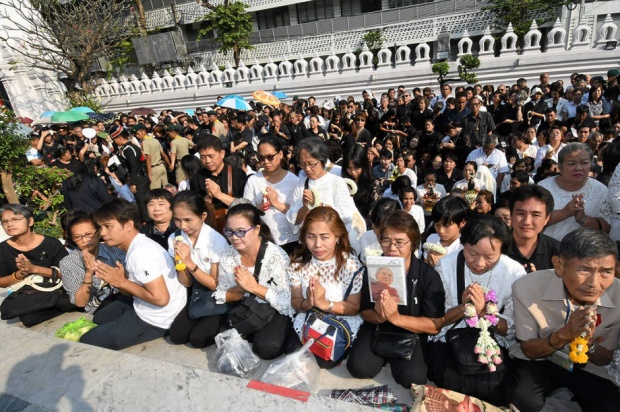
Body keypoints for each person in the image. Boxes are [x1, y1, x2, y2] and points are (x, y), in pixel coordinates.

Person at [507, 228, 620, 412]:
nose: (594, 283)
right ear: (559, 265)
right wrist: (564, 335)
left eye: (606, 272)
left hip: (587, 367)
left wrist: (590, 343)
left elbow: (604, 358)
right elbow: (529, 350)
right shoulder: (527, 288)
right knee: (522, 400)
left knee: (612, 405)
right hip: (541, 361)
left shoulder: (618, 295)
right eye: (584, 269)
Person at [428, 215, 526, 405]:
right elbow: (438, 321)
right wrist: (464, 307)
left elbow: (512, 330)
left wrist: (485, 313)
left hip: (495, 340)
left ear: (502, 251)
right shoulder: (446, 265)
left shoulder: (515, 273)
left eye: (490, 257)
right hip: (451, 336)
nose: (479, 263)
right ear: (463, 243)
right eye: (472, 254)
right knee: (446, 379)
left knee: (497, 388)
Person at [347, 211, 445, 387]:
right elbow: (364, 311)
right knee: (358, 368)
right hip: (378, 327)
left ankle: (394, 360)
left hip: (411, 331)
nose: (392, 248)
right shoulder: (375, 268)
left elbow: (434, 325)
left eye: (400, 242)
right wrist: (379, 316)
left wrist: (396, 318)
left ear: (413, 242)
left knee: (412, 380)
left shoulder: (428, 276)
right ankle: (382, 356)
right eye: (386, 240)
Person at [80, 199, 187, 350]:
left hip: (158, 319)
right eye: (100, 227)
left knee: (87, 340)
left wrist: (121, 282)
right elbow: (133, 289)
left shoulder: (141, 253)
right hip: (146, 304)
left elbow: (161, 299)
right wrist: (121, 280)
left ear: (129, 225)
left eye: (108, 226)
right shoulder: (138, 244)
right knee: (100, 318)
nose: (102, 233)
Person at [214, 203, 292, 359]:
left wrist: (254, 287)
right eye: (229, 231)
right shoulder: (227, 255)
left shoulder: (276, 256)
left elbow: (286, 302)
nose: (234, 237)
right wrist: (241, 289)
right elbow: (223, 293)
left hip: (274, 308)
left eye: (241, 232)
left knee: (265, 348)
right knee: (221, 338)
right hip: (248, 307)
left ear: (257, 229)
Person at [289, 206, 364, 368]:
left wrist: (324, 303)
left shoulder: (349, 265)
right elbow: (295, 301)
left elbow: (354, 307)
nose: (317, 245)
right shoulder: (298, 264)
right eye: (311, 237)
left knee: (323, 360)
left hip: (339, 321)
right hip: (308, 319)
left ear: (337, 236)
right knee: (291, 353)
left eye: (324, 237)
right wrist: (308, 303)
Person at [167, 191, 228, 348]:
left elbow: (215, 285)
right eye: (177, 220)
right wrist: (181, 263)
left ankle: (223, 319)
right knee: (177, 336)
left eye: (188, 220)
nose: (183, 226)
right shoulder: (174, 238)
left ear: (202, 216)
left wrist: (189, 262)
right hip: (194, 291)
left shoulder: (216, 241)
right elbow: (186, 283)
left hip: (215, 293)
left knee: (198, 339)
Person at [0, 204, 75, 327]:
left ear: (30, 221)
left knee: (66, 301)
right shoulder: (2, 249)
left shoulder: (52, 243)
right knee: (13, 312)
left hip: (56, 288)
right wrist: (19, 274)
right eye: (5, 221)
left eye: (15, 219)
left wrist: (34, 269)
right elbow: (1, 281)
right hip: (30, 293)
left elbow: (69, 273)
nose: (9, 224)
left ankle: (54, 303)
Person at [287, 138, 364, 251]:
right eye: (302, 164)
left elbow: (346, 214)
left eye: (312, 164)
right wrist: (305, 206)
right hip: (310, 246)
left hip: (334, 247)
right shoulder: (301, 185)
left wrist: (319, 204)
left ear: (322, 160)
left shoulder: (336, 182)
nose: (307, 169)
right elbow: (294, 221)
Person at [538, 143, 609, 241]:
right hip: (547, 249)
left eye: (584, 163)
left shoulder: (600, 190)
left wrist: (583, 218)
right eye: (572, 164)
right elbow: (533, 221)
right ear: (560, 166)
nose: (578, 168)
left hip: (585, 251)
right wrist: (565, 212)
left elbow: (607, 228)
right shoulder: (544, 187)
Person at [60, 214, 126, 314]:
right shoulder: (68, 263)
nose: (85, 240)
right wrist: (88, 274)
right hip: (95, 313)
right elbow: (80, 303)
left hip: (124, 302)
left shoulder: (116, 252)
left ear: (99, 233)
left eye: (88, 234)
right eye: (78, 237)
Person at [243, 137, 299, 254]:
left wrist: (276, 203)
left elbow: (298, 214)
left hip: (291, 240)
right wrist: (258, 208)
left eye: (270, 157)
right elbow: (245, 211)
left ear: (280, 154)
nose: (266, 162)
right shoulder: (254, 180)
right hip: (264, 240)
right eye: (261, 158)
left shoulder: (294, 181)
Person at [506, 185, 560, 273]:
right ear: (511, 215)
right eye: (520, 213)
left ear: (546, 218)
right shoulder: (495, 248)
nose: (527, 221)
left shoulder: (558, 251)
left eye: (535, 215)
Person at [110, 125, 151, 222]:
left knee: (142, 203)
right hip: (141, 176)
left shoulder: (128, 149)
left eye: (114, 139)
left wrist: (133, 183)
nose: (114, 142)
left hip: (138, 178)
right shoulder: (132, 146)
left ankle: (148, 223)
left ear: (119, 137)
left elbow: (133, 166)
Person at [424, 196, 469, 267]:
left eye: (446, 226)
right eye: (437, 225)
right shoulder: (432, 239)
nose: (441, 231)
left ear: (462, 223)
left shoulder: (465, 248)